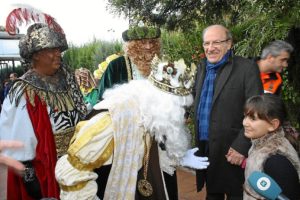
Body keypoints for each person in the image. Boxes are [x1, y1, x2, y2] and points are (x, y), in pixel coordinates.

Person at [55, 56, 209, 200]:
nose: (182, 115)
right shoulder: (111, 120)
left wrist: (179, 156)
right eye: (180, 108)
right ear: (164, 104)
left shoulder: (150, 112)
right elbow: (72, 173)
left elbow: (151, 147)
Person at [0, 22, 86, 199]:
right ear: (36, 55)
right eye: (52, 50)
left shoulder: (68, 81)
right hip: (47, 174)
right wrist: (35, 189)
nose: (58, 54)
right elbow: (20, 150)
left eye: (59, 50)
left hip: (79, 167)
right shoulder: (23, 91)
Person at [193, 24, 263, 199]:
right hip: (207, 147)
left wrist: (241, 146)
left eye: (216, 42)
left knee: (236, 195)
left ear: (229, 43)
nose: (210, 48)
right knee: (212, 194)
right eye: (206, 43)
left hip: (232, 151)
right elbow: (195, 100)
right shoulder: (202, 68)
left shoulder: (246, 68)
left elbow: (256, 111)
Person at [243, 94, 300, 200]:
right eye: (245, 116)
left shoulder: (276, 160)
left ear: (273, 125)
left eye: (252, 118)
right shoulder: (259, 146)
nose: (245, 122)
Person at [97, 25, 161, 100]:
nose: (149, 47)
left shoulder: (161, 65)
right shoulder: (116, 65)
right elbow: (102, 99)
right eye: (143, 43)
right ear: (133, 45)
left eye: (151, 42)